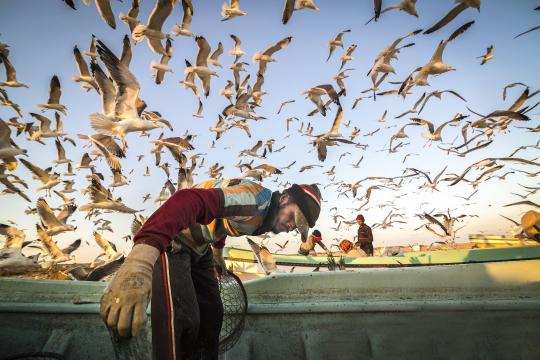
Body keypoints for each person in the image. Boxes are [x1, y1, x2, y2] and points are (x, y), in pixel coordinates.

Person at [99, 178, 322, 359]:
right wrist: (140, 261)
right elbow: (187, 200)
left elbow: (225, 222)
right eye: (294, 217)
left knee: (212, 313)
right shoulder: (255, 200)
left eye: (297, 226)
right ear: (283, 199)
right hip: (174, 238)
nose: (291, 226)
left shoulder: (264, 218)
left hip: (200, 247)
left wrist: (217, 253)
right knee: (183, 319)